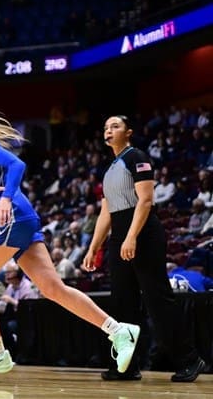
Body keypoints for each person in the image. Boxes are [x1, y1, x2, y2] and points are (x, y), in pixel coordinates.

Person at [0, 103, 140, 375]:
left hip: (11, 216)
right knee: (52, 289)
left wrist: (6, 199)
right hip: (21, 219)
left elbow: (16, 163)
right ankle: (119, 331)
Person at [82, 115, 206, 382]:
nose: (108, 130)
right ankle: (126, 366)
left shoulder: (135, 156)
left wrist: (131, 236)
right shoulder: (110, 168)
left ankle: (189, 359)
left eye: (115, 126)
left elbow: (146, 200)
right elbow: (106, 211)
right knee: (121, 303)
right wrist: (94, 247)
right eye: (105, 127)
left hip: (143, 233)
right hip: (119, 233)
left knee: (157, 299)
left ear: (129, 132)